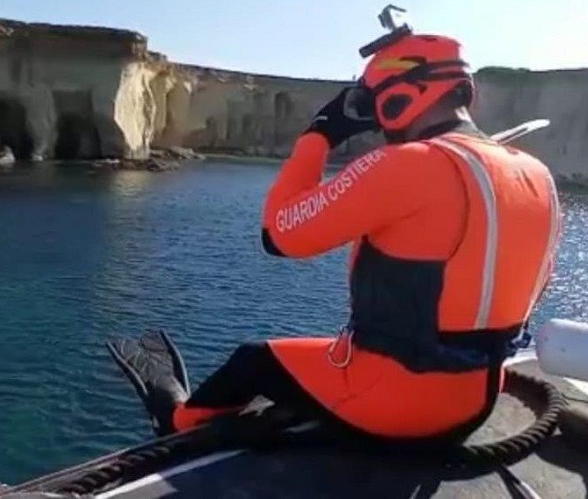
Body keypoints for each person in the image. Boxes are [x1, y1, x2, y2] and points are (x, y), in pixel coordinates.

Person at [107, 31, 562, 441]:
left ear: (401, 96)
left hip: (402, 407)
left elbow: (278, 234)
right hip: (476, 401)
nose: (377, 121)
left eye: (373, 103)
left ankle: (177, 422)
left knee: (254, 361)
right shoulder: (536, 175)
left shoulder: (409, 164)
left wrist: (319, 136)